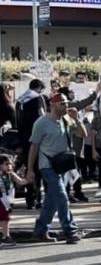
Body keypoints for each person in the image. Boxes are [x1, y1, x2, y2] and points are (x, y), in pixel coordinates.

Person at [25, 93, 86, 245]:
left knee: (52, 201)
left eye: (66, 103)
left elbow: (82, 134)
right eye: (63, 103)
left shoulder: (66, 119)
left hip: (63, 166)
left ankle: (40, 231)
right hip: (47, 166)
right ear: (53, 104)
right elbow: (34, 146)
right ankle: (70, 230)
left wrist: (76, 119)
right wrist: (30, 169)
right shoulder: (41, 122)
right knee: (62, 196)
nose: (66, 106)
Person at [16, 79, 47, 209]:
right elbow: (42, 117)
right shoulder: (38, 99)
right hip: (37, 138)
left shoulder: (19, 100)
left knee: (29, 168)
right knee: (39, 168)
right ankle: (38, 198)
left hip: (23, 139)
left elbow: (17, 120)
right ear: (39, 88)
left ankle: (30, 199)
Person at [0, 154, 28, 246]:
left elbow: (21, 181)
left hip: (8, 201)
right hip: (1, 200)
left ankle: (5, 236)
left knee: (6, 219)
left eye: (10, 164)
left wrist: (28, 178)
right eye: (6, 164)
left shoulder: (11, 175)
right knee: (5, 219)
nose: (9, 166)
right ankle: (5, 237)